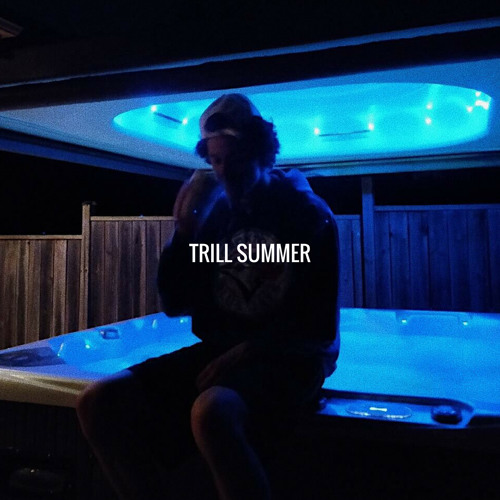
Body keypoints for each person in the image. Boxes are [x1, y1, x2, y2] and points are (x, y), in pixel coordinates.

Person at [76, 93, 340, 500]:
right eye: (215, 161)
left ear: (263, 154)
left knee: (210, 410)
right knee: (97, 403)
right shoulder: (216, 217)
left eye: (235, 159)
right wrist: (183, 231)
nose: (225, 172)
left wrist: (244, 352)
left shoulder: (304, 214)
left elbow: (317, 329)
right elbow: (175, 303)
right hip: (224, 353)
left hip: (291, 358)